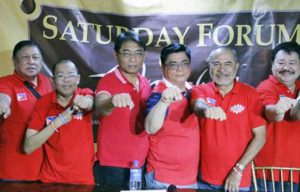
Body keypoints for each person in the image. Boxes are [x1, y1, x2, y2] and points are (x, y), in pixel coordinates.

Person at [191, 47, 266, 192]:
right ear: (210, 66)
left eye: (227, 64)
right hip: (205, 181)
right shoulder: (200, 90)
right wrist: (207, 109)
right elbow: (197, 105)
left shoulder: (250, 94)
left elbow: (260, 137)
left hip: (238, 182)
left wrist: (238, 170)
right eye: (216, 63)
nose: (222, 69)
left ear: (236, 67)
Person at [94, 30, 151, 189]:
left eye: (138, 53)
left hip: (140, 164)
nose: (133, 59)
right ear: (116, 55)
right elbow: (101, 105)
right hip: (113, 165)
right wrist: (112, 101)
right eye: (126, 53)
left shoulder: (145, 82)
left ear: (144, 56)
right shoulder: (108, 80)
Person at [23, 59, 95, 184]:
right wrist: (59, 121)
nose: (66, 80)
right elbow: (28, 147)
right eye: (60, 76)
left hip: (83, 181)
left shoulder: (84, 94)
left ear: (78, 79)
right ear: (52, 80)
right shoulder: (43, 103)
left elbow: (90, 102)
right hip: (50, 180)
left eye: (71, 75)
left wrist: (85, 102)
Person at [144, 43, 199, 189]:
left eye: (184, 63)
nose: (180, 69)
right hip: (163, 179)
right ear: (162, 67)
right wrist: (164, 101)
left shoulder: (196, 91)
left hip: (191, 178)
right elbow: (150, 128)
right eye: (173, 64)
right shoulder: (158, 93)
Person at [0, 40, 52, 181]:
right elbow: (3, 97)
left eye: (35, 57)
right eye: (25, 57)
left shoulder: (48, 82)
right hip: (13, 171)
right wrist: (3, 104)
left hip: (45, 171)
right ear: (14, 61)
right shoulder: (6, 83)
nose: (31, 62)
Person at [254, 41, 300, 191]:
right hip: (269, 175)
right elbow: (273, 114)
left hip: (297, 174)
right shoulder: (266, 87)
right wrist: (279, 109)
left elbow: (295, 114)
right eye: (281, 62)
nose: (286, 67)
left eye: (292, 63)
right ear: (273, 65)